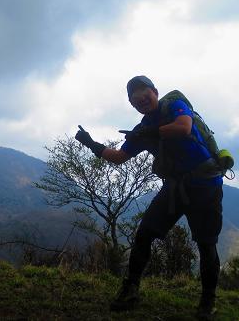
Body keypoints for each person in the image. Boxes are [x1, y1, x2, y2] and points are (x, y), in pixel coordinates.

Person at [75, 76, 223, 319]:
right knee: (144, 234)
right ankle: (130, 290)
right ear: (132, 105)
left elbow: (184, 127)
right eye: (136, 100)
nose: (142, 101)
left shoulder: (174, 104)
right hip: (175, 187)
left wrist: (152, 132)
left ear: (155, 92)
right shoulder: (142, 130)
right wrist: (92, 144)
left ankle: (208, 302)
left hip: (205, 185)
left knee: (206, 244)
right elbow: (119, 156)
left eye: (145, 95)